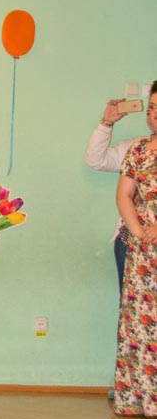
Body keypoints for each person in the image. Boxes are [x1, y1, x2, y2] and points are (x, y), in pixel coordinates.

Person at [113, 81, 157, 417]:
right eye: (152, 108)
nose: (154, 115)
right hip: (143, 250)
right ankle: (141, 399)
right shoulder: (139, 150)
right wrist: (139, 230)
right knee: (140, 324)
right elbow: (124, 195)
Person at [84, 98, 145, 289]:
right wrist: (106, 123)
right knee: (132, 305)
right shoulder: (137, 148)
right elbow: (96, 160)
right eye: (152, 107)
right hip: (132, 238)